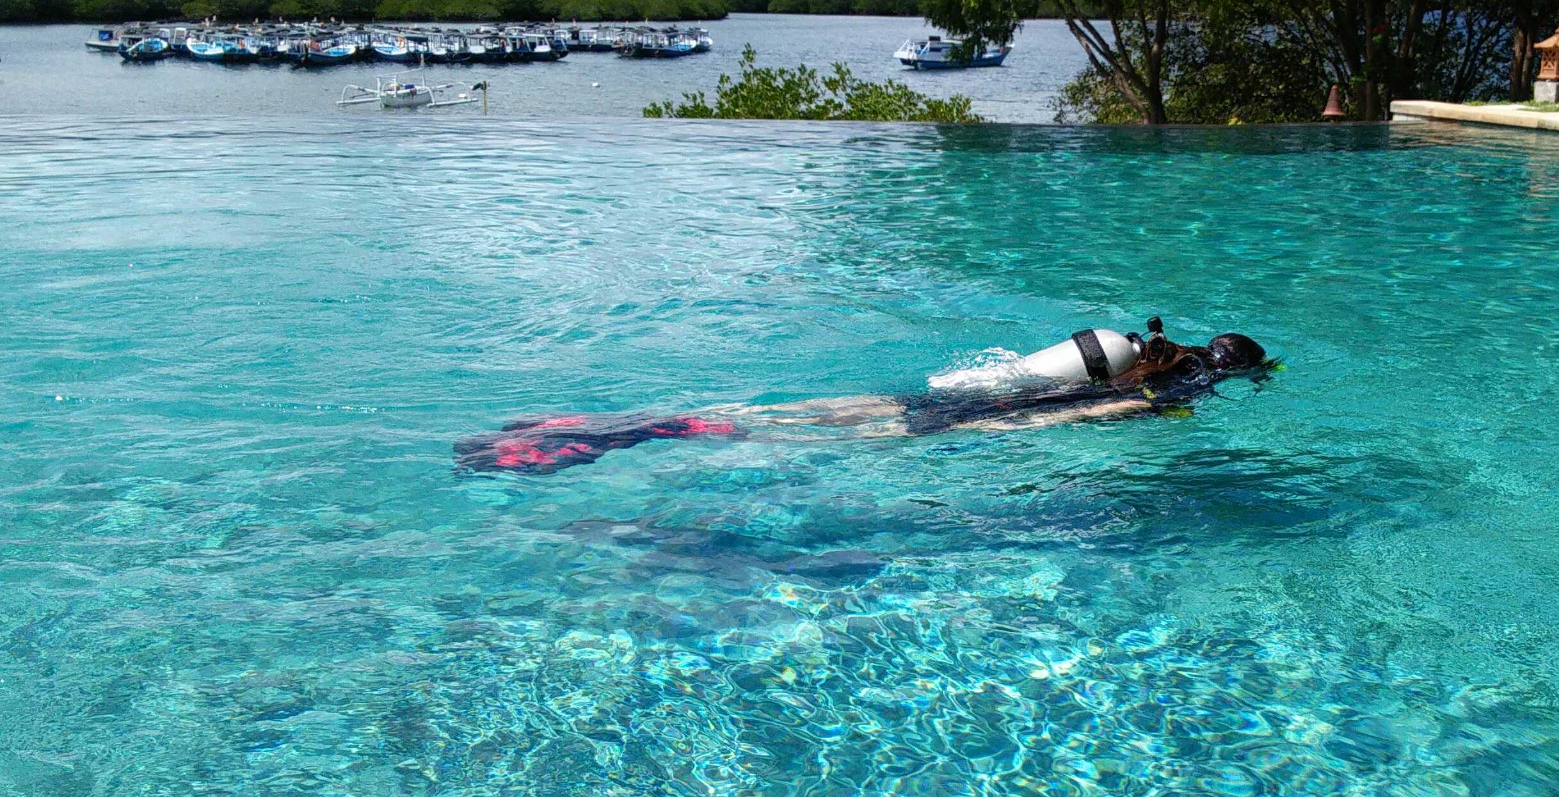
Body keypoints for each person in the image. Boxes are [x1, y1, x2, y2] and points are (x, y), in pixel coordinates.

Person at [455, 319, 1270, 476]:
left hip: (925, 397)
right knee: (775, 439)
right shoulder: (1162, 395)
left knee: (792, 417)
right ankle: (615, 438)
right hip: (968, 422)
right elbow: (1096, 413)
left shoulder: (1133, 345)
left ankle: (602, 427)